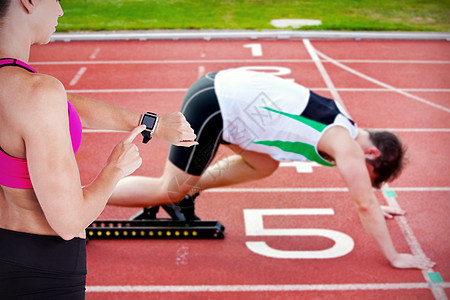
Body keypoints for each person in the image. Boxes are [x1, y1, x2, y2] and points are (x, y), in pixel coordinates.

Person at [110, 69, 436, 270]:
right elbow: (362, 202)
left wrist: (377, 204)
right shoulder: (345, 143)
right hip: (216, 105)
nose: (360, 180)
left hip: (223, 95)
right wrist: (394, 256)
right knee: (167, 187)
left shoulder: (345, 126)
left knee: (263, 164)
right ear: (371, 153)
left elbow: (367, 197)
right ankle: (78, 199)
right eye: (368, 176)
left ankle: (189, 190)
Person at [0, 0, 196, 298]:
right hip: (43, 272)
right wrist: (115, 169)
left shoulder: (22, 89)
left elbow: (60, 105)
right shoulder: (36, 93)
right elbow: (69, 222)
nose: (61, 11)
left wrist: (150, 124)